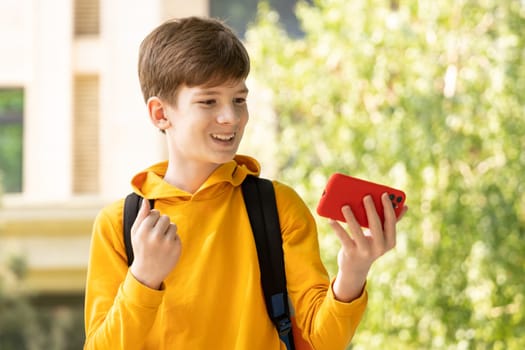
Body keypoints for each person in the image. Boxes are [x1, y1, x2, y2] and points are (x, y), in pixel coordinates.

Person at [83, 16, 407, 350]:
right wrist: (144, 278)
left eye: (239, 99)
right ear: (160, 114)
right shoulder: (119, 225)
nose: (232, 117)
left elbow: (322, 340)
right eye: (209, 101)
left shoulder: (277, 207)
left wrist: (353, 271)